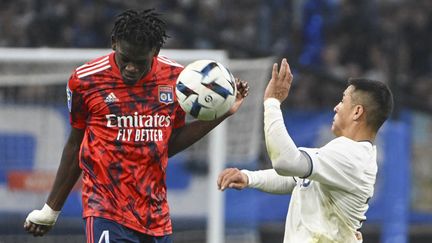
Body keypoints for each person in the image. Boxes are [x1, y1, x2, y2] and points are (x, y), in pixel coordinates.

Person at [24, 9, 249, 243]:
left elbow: (166, 144)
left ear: (156, 52)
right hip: (105, 210)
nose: (131, 67)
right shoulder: (85, 80)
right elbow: (75, 145)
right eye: (125, 59)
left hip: (156, 217)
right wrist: (51, 210)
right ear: (114, 44)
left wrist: (221, 114)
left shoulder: (178, 81)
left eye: (139, 62)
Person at [218, 58, 393, 242]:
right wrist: (249, 178)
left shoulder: (352, 156)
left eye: (342, 101)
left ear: (357, 112)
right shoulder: (347, 153)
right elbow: (296, 179)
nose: (336, 107)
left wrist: (272, 102)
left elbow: (285, 162)